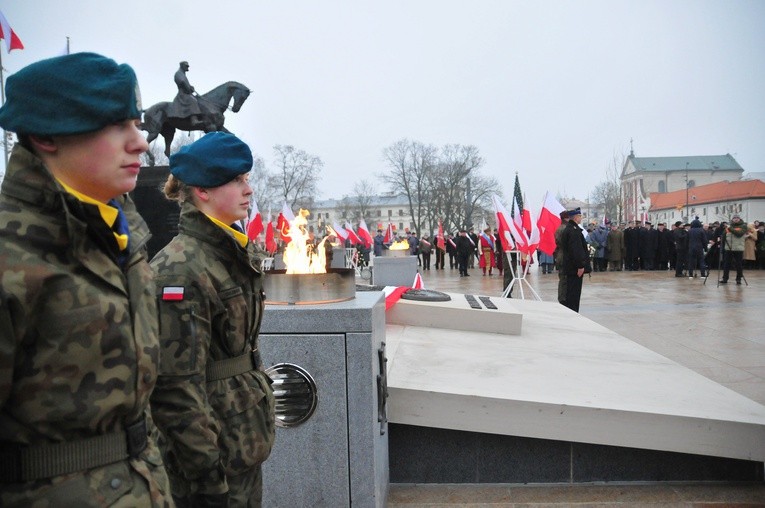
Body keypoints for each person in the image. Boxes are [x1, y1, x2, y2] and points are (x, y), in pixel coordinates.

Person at [0, 52, 172, 506]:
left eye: (137, 124)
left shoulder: (121, 241)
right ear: (45, 134)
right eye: (117, 126)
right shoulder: (11, 258)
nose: (141, 143)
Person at [149, 132, 276, 506]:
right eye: (236, 180)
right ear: (202, 190)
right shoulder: (181, 270)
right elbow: (176, 389)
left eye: (247, 179)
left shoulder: (225, 253)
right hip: (209, 466)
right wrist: (207, 476)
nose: (248, 189)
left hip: (239, 445)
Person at [559, 208, 589, 312]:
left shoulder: (570, 228)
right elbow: (576, 251)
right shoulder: (574, 231)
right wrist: (580, 266)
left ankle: (572, 311)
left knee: (572, 292)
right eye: (580, 216)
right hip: (574, 268)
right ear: (576, 217)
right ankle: (573, 313)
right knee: (573, 294)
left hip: (570, 267)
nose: (581, 218)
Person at [169, 60, 205, 128]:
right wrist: (188, 88)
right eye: (186, 66)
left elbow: (185, 83)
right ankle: (194, 120)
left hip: (186, 93)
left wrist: (191, 87)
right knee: (193, 100)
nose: (187, 68)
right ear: (182, 66)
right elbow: (182, 82)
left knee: (196, 99)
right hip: (183, 94)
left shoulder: (182, 73)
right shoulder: (178, 73)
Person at [720, 214, 749, 284]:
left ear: (739, 219)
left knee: (738, 264)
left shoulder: (743, 226)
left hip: (738, 248)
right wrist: (721, 243)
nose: (736, 219)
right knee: (726, 264)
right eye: (734, 218)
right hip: (728, 248)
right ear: (732, 219)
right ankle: (725, 278)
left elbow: (739, 234)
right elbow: (723, 237)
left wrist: (730, 228)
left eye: (737, 218)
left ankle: (738, 279)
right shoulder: (729, 227)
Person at [553, 211, 570, 305]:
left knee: (563, 278)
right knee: (564, 279)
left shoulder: (561, 228)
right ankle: (563, 299)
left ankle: (563, 298)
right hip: (563, 256)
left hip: (560, 255)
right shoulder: (564, 229)